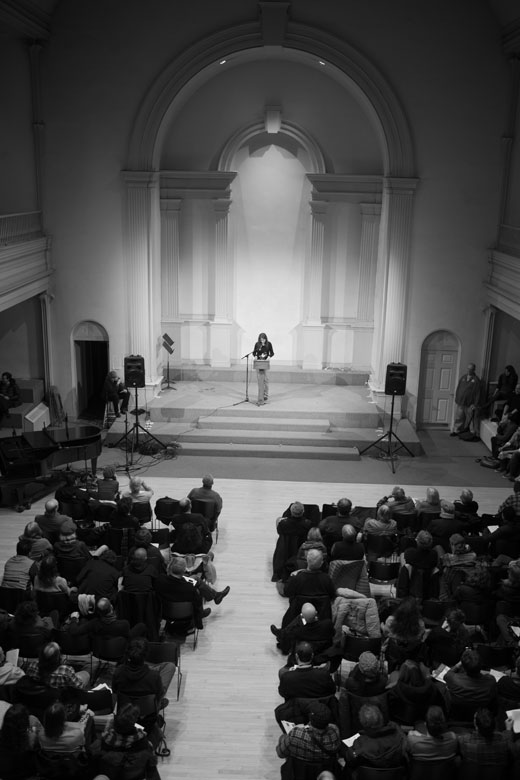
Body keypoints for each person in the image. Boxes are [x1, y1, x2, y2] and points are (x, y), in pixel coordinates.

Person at [112, 637, 175, 728]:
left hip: (125, 713)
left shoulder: (118, 672)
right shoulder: (154, 676)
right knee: (169, 668)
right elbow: (159, 695)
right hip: (148, 717)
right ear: (145, 656)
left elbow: (115, 692)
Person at [96, 703, 159, 780]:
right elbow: (152, 768)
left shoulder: (105, 741)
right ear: (134, 723)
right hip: (135, 776)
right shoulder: (144, 743)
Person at [276, 702, 341, 770]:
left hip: (300, 771)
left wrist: (284, 736)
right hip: (324, 770)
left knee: (284, 737)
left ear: (310, 718)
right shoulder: (334, 731)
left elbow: (280, 753)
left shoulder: (295, 734)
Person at [344, 703, 406, 770]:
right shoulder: (398, 734)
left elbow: (350, 757)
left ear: (362, 722)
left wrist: (351, 751)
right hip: (396, 774)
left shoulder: (359, 745)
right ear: (381, 718)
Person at [271, 602, 335, 659]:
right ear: (316, 612)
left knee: (295, 624)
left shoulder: (298, 631)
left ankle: (281, 634)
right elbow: (333, 633)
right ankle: (282, 634)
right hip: (324, 653)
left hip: (305, 655)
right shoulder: (328, 624)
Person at [444, 648, 497, 715]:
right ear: (481, 665)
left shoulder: (453, 679)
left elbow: (447, 675)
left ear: (463, 667)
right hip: (480, 713)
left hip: (459, 712)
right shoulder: (491, 681)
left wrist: (458, 664)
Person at [25, 640, 90, 690]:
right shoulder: (66, 670)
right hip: (61, 699)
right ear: (58, 657)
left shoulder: (32, 666)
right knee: (85, 674)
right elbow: (79, 687)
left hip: (41, 697)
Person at [0, 703, 41, 780]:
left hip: (5, 774)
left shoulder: (2, 737)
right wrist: (33, 729)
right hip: (26, 774)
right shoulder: (30, 739)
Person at [450, 362, 482, 438]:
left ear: (474, 370)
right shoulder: (463, 377)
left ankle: (472, 433)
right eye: (468, 369)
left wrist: (475, 404)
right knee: (459, 417)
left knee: (470, 419)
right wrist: (457, 398)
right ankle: (456, 430)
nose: (469, 370)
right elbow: (458, 388)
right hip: (461, 402)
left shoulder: (476, 380)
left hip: (470, 404)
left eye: (471, 369)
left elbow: (478, 393)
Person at [252, 331, 274, 405]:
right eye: (261, 340)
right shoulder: (257, 344)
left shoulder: (269, 344)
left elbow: (272, 353)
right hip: (259, 363)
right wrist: (255, 356)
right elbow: (254, 352)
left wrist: (269, 357)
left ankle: (265, 394)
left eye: (264, 339)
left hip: (265, 363)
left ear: (266, 339)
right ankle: (261, 395)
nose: (262, 341)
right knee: (260, 380)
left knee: (266, 379)